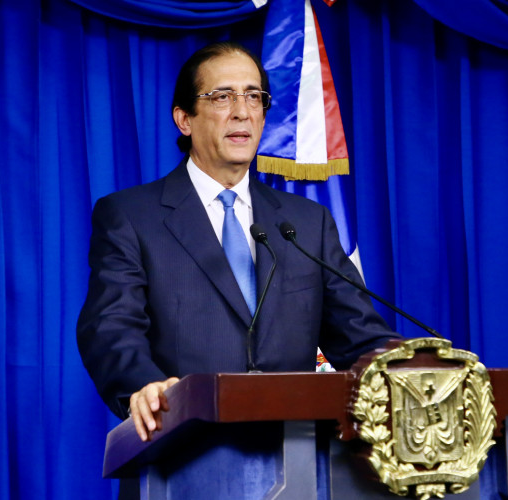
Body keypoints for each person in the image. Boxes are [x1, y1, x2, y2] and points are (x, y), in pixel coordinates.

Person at [76, 41, 400, 446]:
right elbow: (111, 326)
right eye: (222, 97)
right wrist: (143, 385)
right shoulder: (131, 216)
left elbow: (360, 335)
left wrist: (418, 370)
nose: (242, 111)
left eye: (253, 96)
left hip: (298, 451)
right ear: (184, 119)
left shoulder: (305, 223)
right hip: (183, 447)